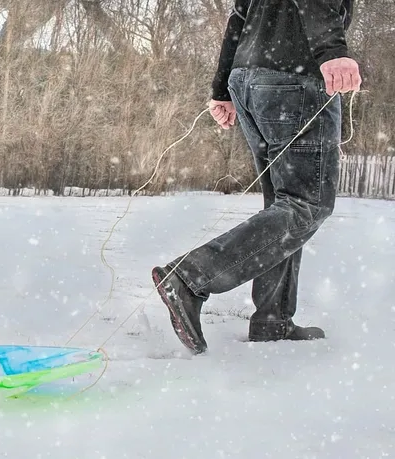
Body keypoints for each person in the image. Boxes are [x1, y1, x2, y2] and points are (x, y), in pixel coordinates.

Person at [152, 0, 362, 354]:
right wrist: (332, 51)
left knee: (283, 205)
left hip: (250, 80)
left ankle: (273, 319)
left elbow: (239, 15)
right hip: (294, 79)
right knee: (306, 205)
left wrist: (222, 88)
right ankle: (190, 278)